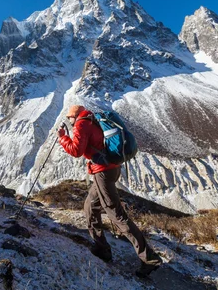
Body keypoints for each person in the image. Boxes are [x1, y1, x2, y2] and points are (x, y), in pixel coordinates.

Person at [57, 105, 163, 277]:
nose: (69, 121)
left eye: (69, 118)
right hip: (112, 168)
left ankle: (149, 258)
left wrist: (63, 138)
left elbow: (77, 151)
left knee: (117, 215)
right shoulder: (93, 119)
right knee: (90, 207)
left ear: (74, 116)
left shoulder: (82, 124)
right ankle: (101, 248)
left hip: (102, 172)